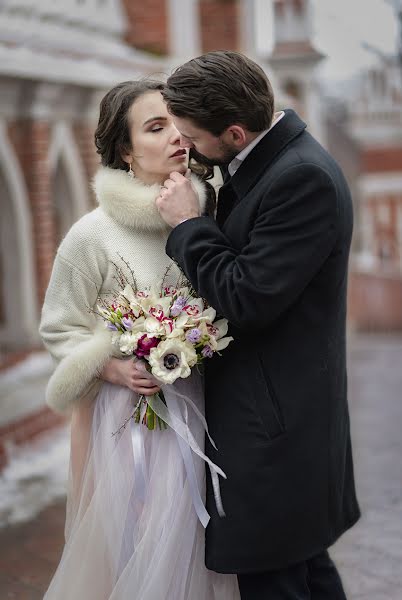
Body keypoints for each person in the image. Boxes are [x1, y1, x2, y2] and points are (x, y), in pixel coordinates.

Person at [156, 51, 360, 599]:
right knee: (305, 574)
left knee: (277, 580)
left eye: (194, 138)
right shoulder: (268, 163)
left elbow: (244, 298)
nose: (189, 149)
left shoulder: (302, 180)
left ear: (236, 130)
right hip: (279, 416)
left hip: (277, 425)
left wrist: (189, 225)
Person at [40, 79, 240, 599]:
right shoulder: (92, 235)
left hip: (209, 413)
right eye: (156, 126)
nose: (176, 135)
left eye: (178, 122)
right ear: (126, 151)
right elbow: (59, 325)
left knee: (207, 550)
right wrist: (109, 366)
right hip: (129, 425)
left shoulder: (213, 215)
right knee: (138, 547)